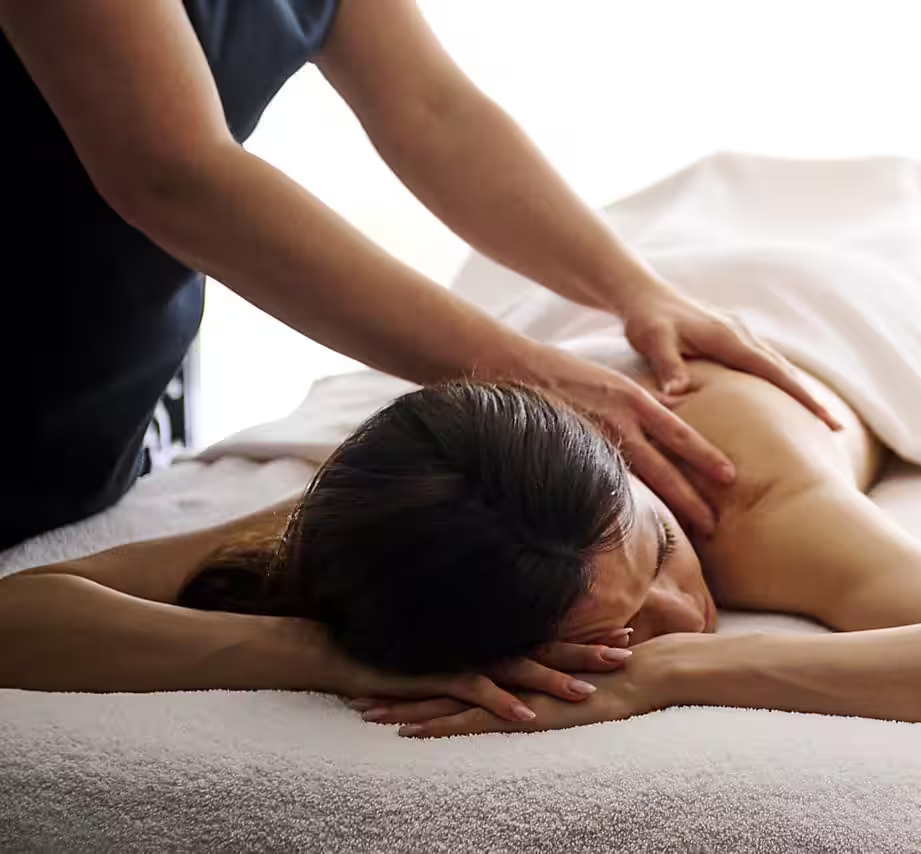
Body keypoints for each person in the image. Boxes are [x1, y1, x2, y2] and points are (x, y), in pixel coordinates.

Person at [2, 0, 837, 552]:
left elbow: (435, 110)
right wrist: (527, 372)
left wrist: (636, 289)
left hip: (110, 371)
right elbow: (176, 174)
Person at [0, 357, 921, 745]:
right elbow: (23, 609)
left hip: (815, 297)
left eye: (666, 551)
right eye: (619, 636)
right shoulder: (412, 510)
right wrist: (321, 656)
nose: (682, 611)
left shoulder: (752, 505)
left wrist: (670, 677)